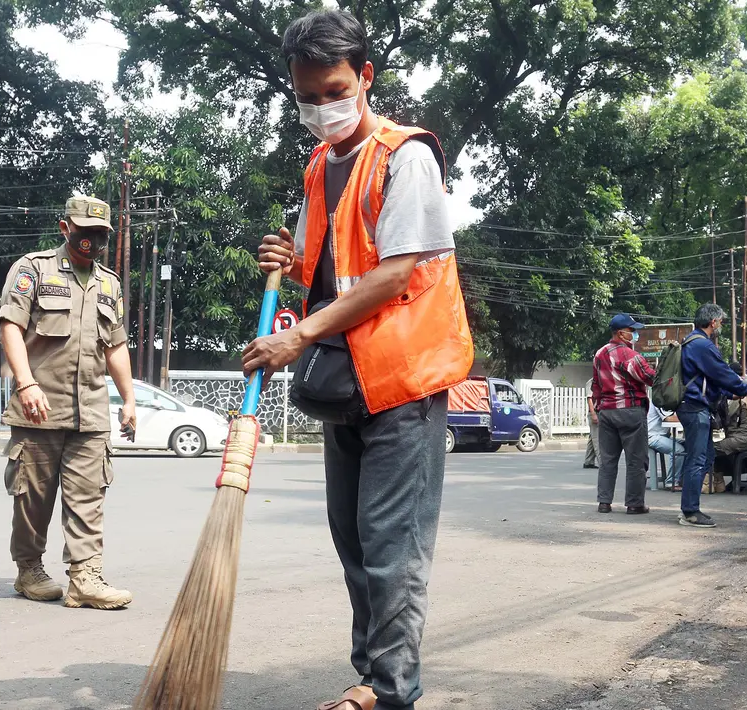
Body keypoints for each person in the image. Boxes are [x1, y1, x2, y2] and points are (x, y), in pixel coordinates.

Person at [243, 11, 474, 710]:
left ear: (365, 76)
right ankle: (371, 679)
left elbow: (392, 274)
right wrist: (283, 260)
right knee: (355, 549)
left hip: (401, 381)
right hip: (344, 382)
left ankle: (389, 692)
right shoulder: (320, 166)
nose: (321, 109)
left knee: (391, 548)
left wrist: (297, 338)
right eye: (306, 97)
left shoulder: (406, 157)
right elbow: (325, 271)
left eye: (333, 90)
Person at [0, 195, 137, 610]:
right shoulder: (32, 269)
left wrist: (128, 398)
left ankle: (85, 578)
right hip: (39, 408)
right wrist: (26, 384)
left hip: (91, 411)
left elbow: (116, 346)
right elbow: (10, 327)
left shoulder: (109, 283)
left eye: (100, 235)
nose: (91, 241)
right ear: (65, 227)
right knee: (33, 499)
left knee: (88, 497)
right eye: (84, 231)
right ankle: (29, 569)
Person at [676, 303, 747, 528]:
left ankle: (690, 506)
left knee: (705, 457)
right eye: (720, 321)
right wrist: (744, 389)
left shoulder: (691, 342)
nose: (721, 325)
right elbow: (722, 373)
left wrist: (731, 393)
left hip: (694, 407)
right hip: (694, 407)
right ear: (713, 322)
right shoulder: (702, 345)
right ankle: (689, 512)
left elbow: (711, 380)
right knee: (698, 459)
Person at [590, 313, 656, 514]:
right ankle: (634, 504)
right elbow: (650, 378)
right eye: (632, 331)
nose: (635, 334)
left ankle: (604, 502)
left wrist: (600, 408)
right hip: (630, 411)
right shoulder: (631, 357)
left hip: (607, 413)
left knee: (608, 460)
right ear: (621, 333)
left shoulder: (599, 354)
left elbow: (596, 387)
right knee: (636, 460)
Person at [648, 404, 684, 491]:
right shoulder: (658, 401)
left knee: (688, 444)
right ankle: (671, 482)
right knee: (679, 450)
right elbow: (669, 418)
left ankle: (682, 478)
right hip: (652, 436)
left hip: (663, 436)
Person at [583, 377, 599, 469]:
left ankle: (588, 461)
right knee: (597, 440)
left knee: (592, 438)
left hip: (599, 412)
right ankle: (603, 463)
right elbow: (589, 398)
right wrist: (593, 414)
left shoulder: (601, 379)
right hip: (594, 412)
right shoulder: (591, 382)